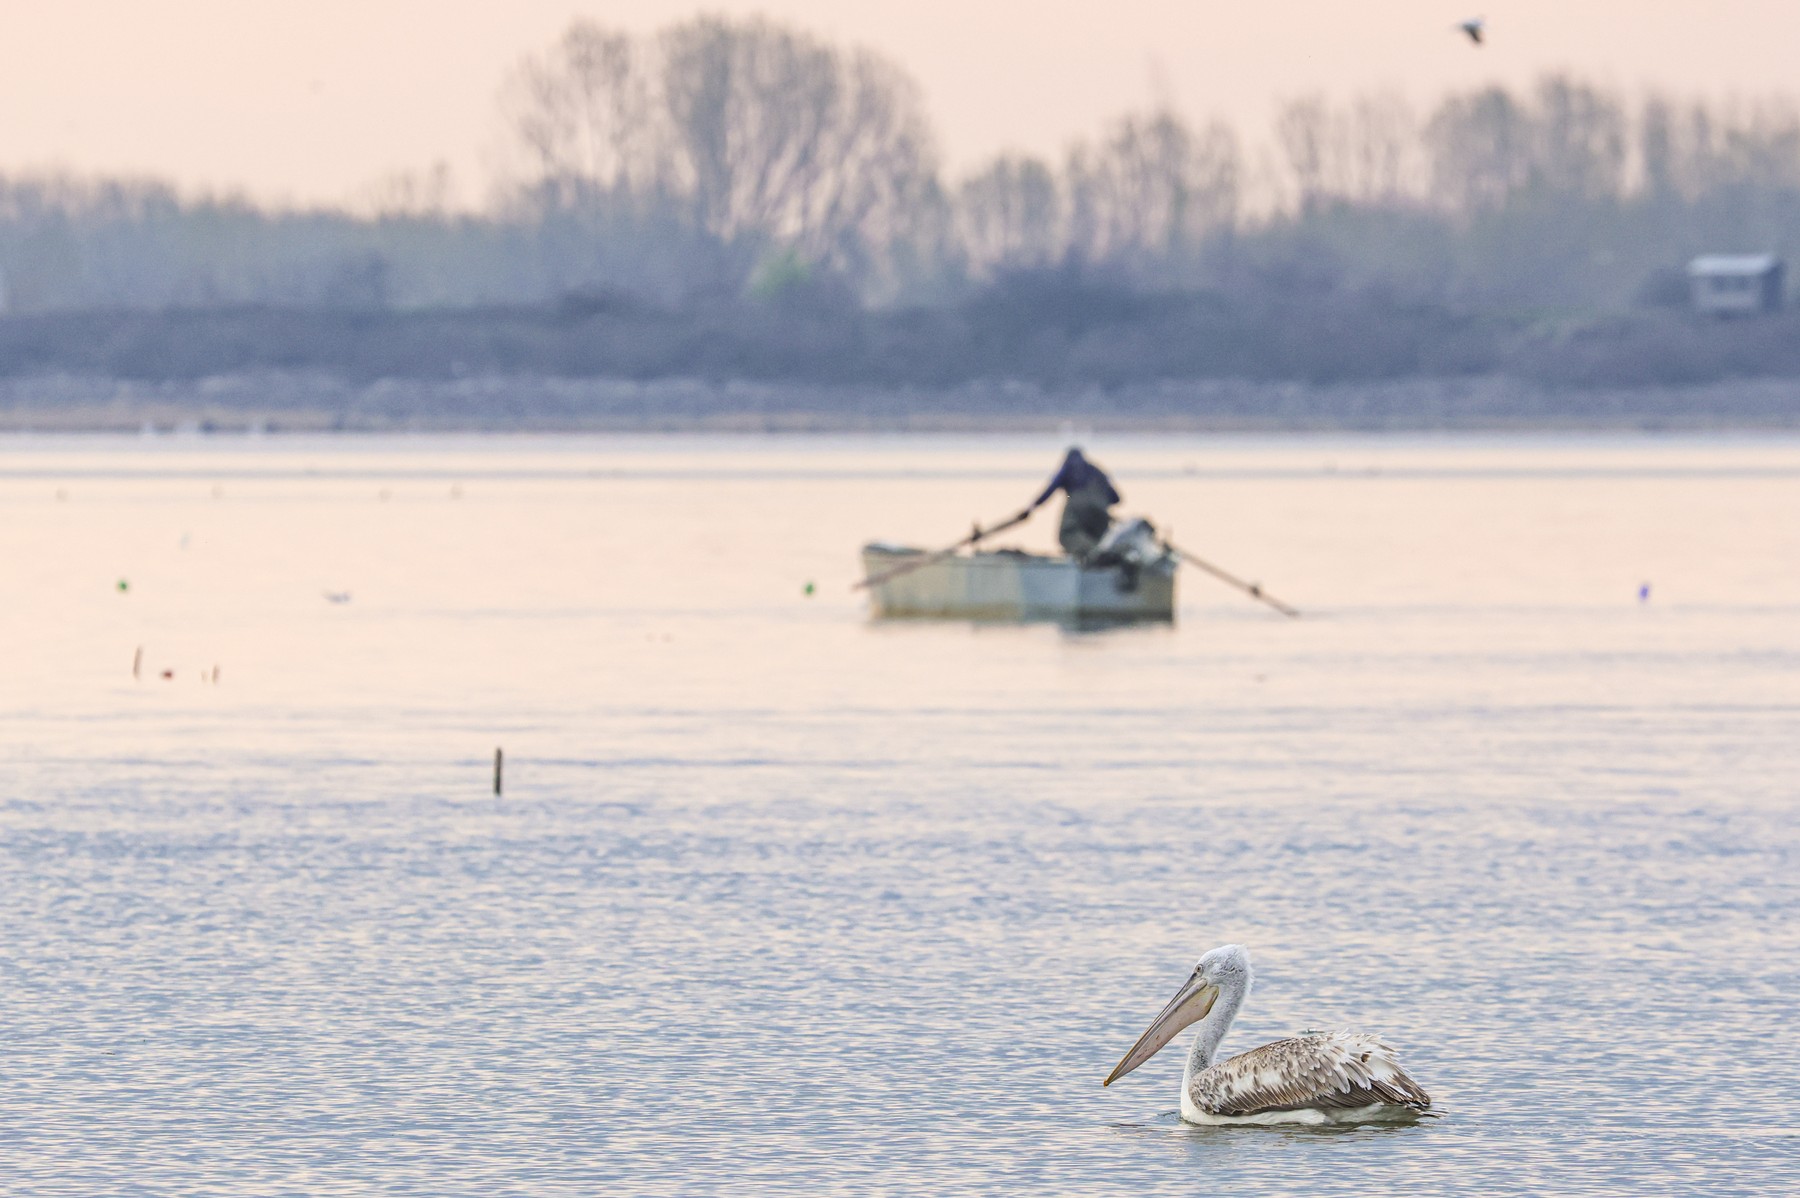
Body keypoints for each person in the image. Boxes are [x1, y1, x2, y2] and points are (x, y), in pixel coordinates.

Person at [1021, 446, 1121, 561]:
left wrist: (1032, 507)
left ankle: (1091, 555)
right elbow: (1116, 499)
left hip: (1078, 507)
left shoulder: (1068, 467)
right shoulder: (1096, 471)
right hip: (1101, 512)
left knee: (1067, 535)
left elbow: (1051, 489)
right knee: (1100, 540)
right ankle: (1101, 562)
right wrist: (1098, 507)